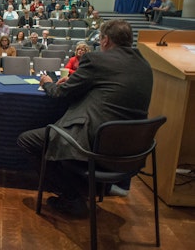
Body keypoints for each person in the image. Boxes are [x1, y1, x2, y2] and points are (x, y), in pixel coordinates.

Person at [17, 20, 153, 217]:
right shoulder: (144, 65)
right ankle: (92, 187)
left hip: (95, 144)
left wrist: (47, 82)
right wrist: (76, 81)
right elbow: (109, 88)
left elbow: (59, 93)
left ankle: (71, 196)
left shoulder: (96, 60)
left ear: (105, 40)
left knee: (27, 141)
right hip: (131, 149)